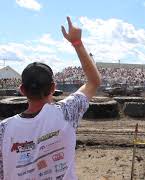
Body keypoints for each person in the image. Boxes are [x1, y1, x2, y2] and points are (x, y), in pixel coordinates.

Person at [0, 17, 101, 179]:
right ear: (53, 88)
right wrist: (77, 43)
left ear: (21, 90)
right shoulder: (67, 112)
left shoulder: (3, 130)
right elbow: (93, 82)